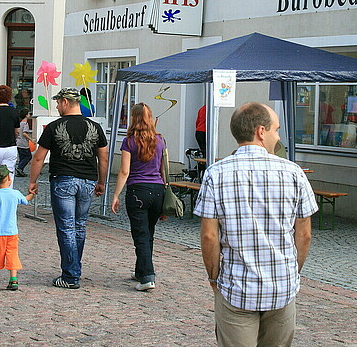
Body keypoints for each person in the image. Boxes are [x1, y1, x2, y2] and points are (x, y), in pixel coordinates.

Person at [194, 102, 318, 347]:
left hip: (236, 287)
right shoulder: (293, 173)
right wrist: (292, 271)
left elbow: (209, 237)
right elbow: (304, 235)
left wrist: (213, 277)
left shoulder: (216, 174)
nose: (278, 136)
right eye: (276, 130)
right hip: (282, 286)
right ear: (261, 131)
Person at [28, 87, 108, 289]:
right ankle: (74, 267)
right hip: (88, 181)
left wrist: (32, 181)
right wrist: (101, 182)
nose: (56, 105)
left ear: (65, 102)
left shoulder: (55, 127)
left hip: (63, 180)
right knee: (79, 226)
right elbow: (103, 157)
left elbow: (39, 157)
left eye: (58, 102)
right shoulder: (95, 127)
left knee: (66, 228)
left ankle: (71, 275)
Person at [111, 103, 166, 292]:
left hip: (138, 190)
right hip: (158, 189)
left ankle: (148, 277)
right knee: (148, 232)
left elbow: (125, 170)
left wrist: (116, 194)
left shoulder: (129, 141)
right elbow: (162, 169)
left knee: (140, 234)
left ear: (133, 119)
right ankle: (141, 270)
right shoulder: (160, 140)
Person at [0, 165, 35, 291]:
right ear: (9, 177)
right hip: (12, 232)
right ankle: (13, 280)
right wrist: (31, 194)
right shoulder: (15, 194)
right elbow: (26, 200)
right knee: (12, 254)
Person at [15, 108, 34, 177]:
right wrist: (31, 139)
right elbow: (24, 133)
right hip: (23, 143)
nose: (29, 115)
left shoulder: (20, 123)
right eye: (28, 113)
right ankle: (20, 168)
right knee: (28, 156)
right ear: (26, 115)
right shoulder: (25, 124)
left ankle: (20, 171)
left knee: (22, 157)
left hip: (18, 142)